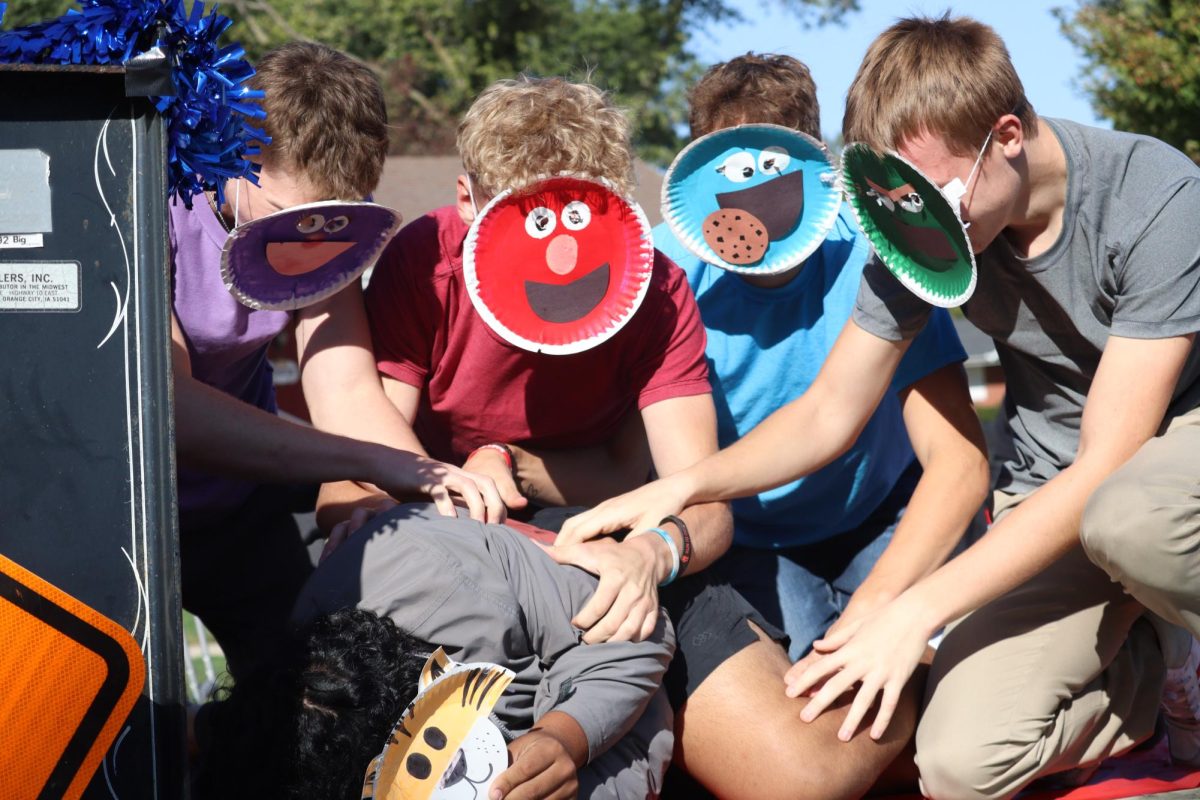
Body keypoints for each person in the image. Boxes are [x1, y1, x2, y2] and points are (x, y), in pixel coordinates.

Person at [563, 14, 1200, 798]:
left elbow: (1107, 460)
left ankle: (1173, 621)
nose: (915, 219)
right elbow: (831, 408)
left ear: (1005, 135)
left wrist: (906, 608)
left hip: (1166, 453)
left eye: (934, 192)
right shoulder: (924, 227)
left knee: (1131, 521)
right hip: (1057, 485)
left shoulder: (1158, 199)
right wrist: (687, 488)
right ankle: (1154, 671)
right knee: (959, 765)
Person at [322, 76, 919, 799]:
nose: (563, 261)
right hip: (455, 545)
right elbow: (357, 466)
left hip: (606, 554)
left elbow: (704, 501)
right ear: (466, 200)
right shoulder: (424, 264)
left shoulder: (656, 288)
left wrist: (652, 552)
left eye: (587, 224)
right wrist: (369, 509)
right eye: (529, 228)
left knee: (800, 778)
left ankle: (928, 679)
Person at [171, 41, 503, 679]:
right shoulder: (147, 204)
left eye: (331, 224)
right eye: (284, 219)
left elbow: (346, 392)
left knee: (300, 699)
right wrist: (381, 464)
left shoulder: (323, 231)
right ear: (234, 158)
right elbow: (171, 410)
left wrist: (437, 490)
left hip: (243, 509)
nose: (309, 244)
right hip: (129, 514)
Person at [646, 53, 987, 660]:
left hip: (881, 512)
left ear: (814, 159)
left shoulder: (879, 245)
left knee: (928, 667)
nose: (754, 200)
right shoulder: (662, 274)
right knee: (809, 694)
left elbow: (957, 458)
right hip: (750, 539)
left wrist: (877, 609)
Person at [193, 504, 673, 800]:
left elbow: (638, 640)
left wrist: (562, 740)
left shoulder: (451, 581)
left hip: (623, 602)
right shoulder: (263, 732)